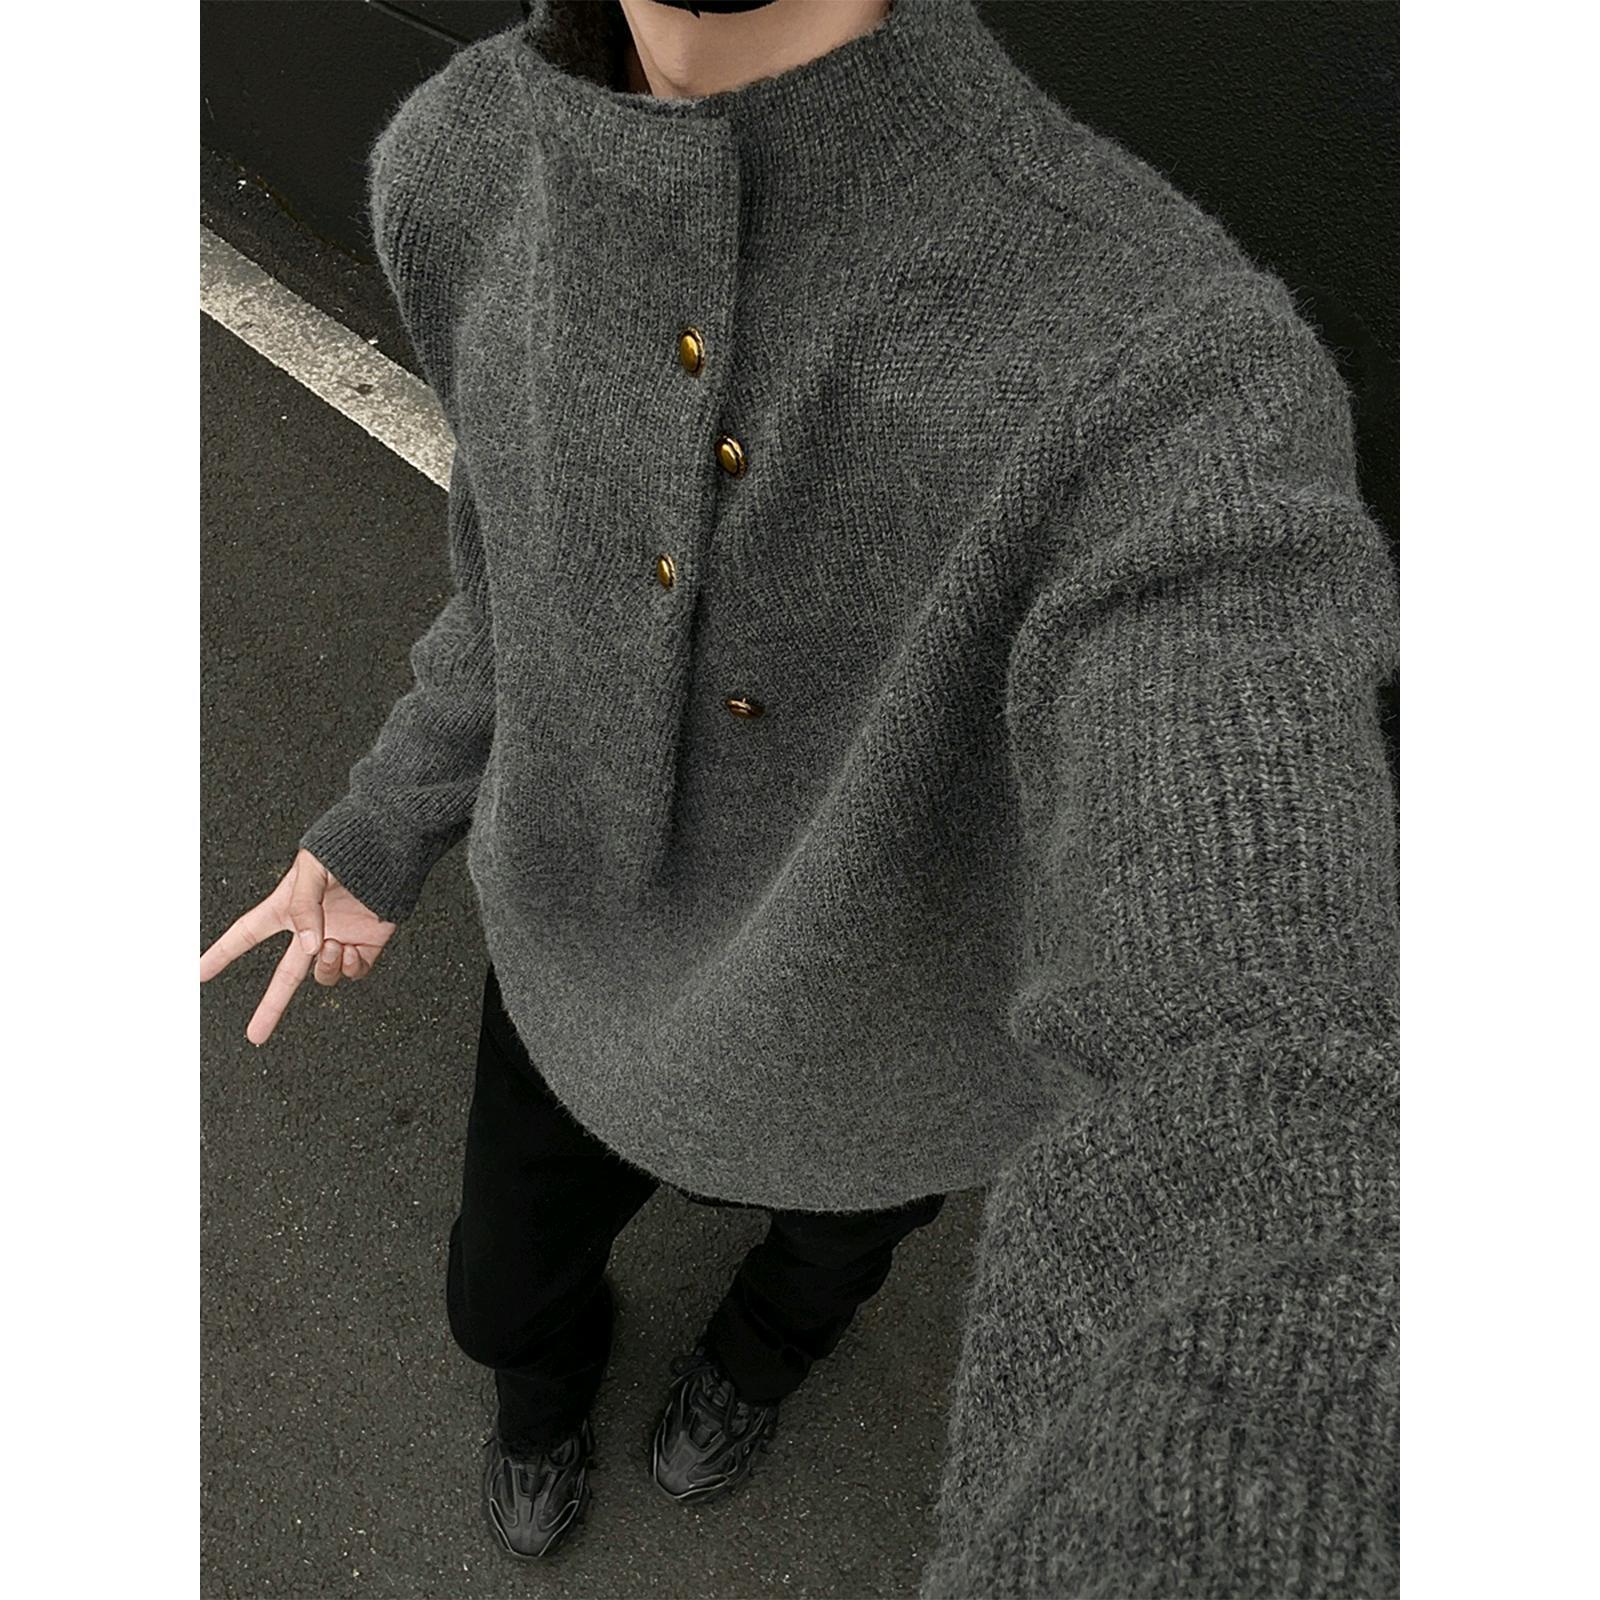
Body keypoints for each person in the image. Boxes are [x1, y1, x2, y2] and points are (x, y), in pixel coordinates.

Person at [199, 0, 1400, 1592]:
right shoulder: (460, 166)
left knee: (815, 1283)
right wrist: (385, 821)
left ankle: (754, 1367)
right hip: (572, 970)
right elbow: (511, 585)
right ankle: (547, 1402)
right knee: (499, 1299)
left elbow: (1263, 1036)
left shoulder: (1165, 369)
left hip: (885, 1059)